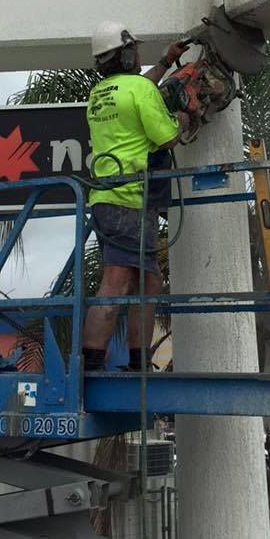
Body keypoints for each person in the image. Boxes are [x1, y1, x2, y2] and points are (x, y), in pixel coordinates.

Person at [82, 23, 191, 372]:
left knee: (148, 280)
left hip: (107, 198)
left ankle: (136, 362)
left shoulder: (100, 94)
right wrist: (184, 119)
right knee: (117, 280)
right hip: (129, 200)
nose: (140, 56)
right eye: (136, 51)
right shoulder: (140, 91)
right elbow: (166, 137)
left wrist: (165, 62)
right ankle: (93, 364)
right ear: (128, 54)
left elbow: (139, 88)